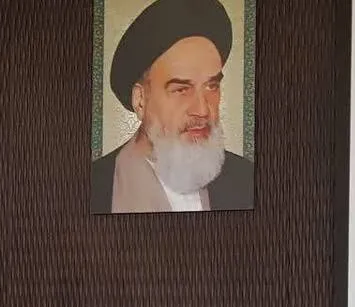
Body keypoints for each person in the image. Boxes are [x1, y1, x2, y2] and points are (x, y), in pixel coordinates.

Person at [91, 0, 253, 214]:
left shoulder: (247, 179)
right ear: (141, 100)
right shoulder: (95, 188)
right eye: (181, 90)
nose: (203, 110)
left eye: (211, 86)